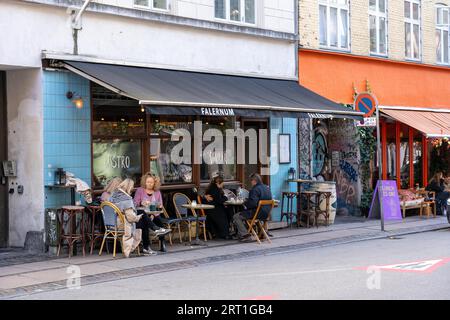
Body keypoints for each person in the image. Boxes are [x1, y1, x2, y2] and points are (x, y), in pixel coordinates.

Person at [109, 179, 148, 257]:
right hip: (122, 224)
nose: (132, 189)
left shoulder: (113, 195)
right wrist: (138, 217)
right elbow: (131, 218)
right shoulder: (126, 199)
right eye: (132, 187)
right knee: (143, 221)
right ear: (129, 187)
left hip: (111, 223)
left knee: (143, 216)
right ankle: (144, 247)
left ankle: (155, 229)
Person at [134, 173, 171, 252]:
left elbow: (160, 205)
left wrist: (153, 215)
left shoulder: (157, 192)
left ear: (155, 183)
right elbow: (135, 204)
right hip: (142, 215)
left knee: (160, 222)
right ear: (144, 182)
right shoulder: (140, 190)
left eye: (151, 182)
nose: (149, 184)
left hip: (154, 214)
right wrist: (142, 203)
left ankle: (162, 244)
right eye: (148, 182)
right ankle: (146, 246)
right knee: (145, 223)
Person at [233, 173, 273, 242]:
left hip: (257, 213)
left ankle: (245, 235)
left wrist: (245, 202)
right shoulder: (267, 188)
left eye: (251, 181)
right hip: (266, 214)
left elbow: (252, 204)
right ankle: (262, 233)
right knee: (250, 215)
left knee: (236, 216)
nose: (251, 182)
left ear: (254, 181)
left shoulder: (255, 189)